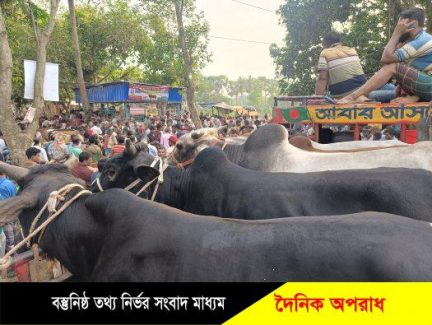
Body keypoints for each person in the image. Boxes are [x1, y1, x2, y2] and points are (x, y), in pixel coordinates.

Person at [339, 8, 432, 103]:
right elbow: (388, 67)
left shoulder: (422, 41)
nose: (398, 27)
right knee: (374, 91)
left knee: (392, 67)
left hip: (429, 85)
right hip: (419, 87)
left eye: (400, 24)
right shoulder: (414, 42)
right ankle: (364, 100)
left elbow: (385, 59)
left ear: (414, 23)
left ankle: (352, 97)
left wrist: (396, 33)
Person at [315, 32, 367, 98]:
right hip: (363, 91)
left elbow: (322, 78)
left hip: (342, 95)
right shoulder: (352, 50)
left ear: (326, 43)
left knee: (326, 97)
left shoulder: (325, 53)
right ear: (339, 41)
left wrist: (316, 99)